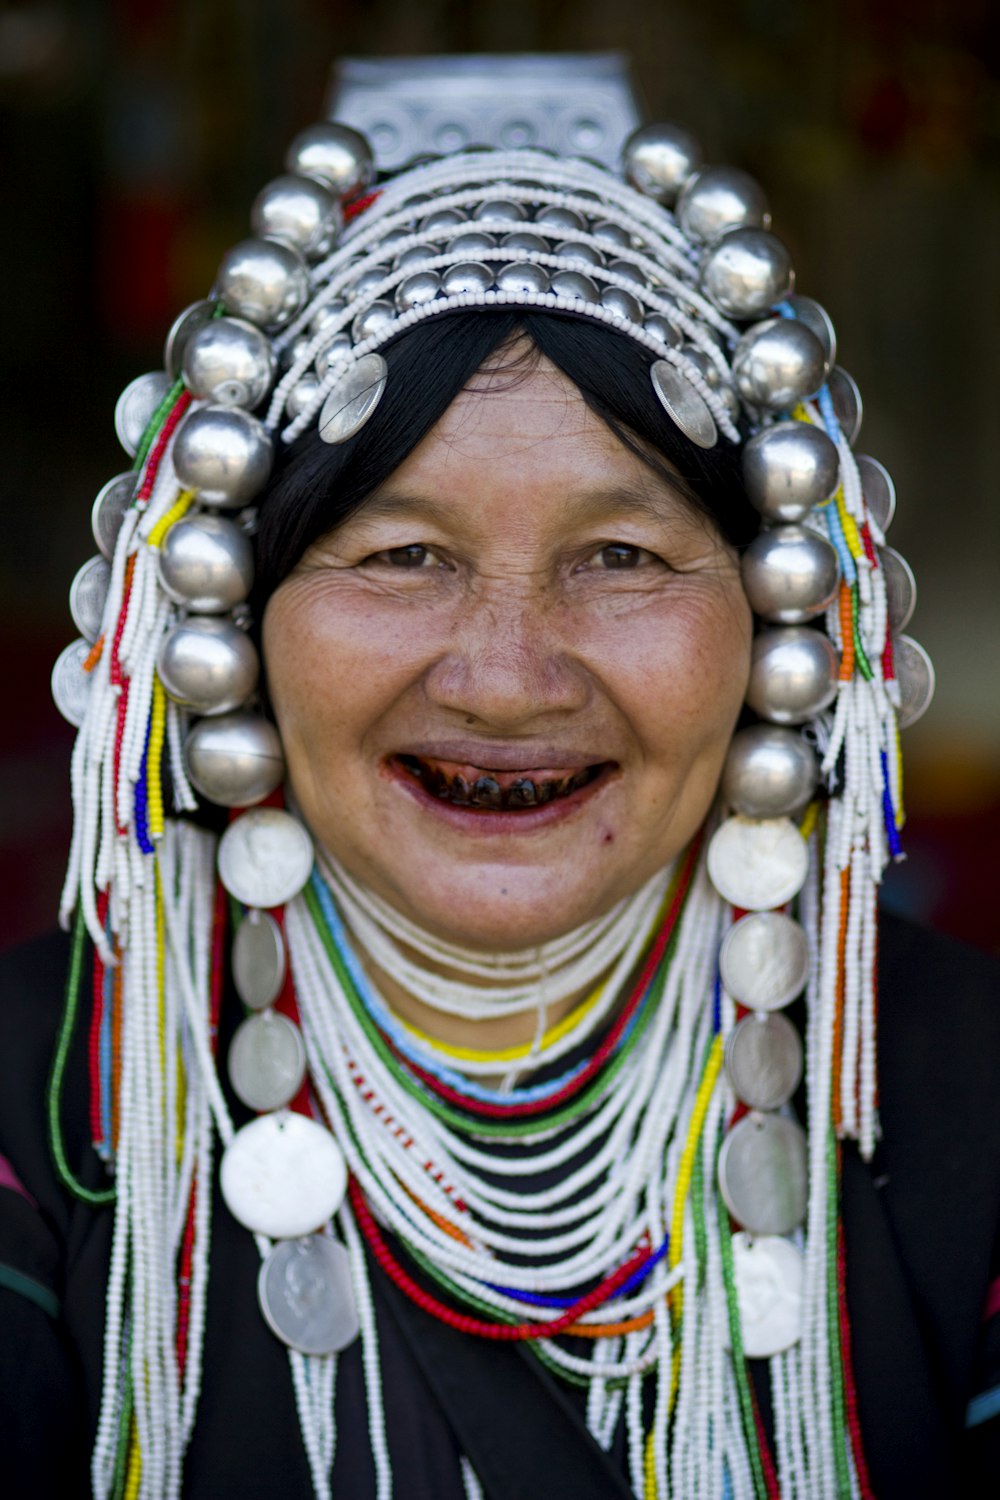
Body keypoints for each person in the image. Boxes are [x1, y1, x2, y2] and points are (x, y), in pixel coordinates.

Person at [1, 92, 999, 1500]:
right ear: (231, 619)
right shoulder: (47, 1108)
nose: (508, 678)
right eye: (402, 555)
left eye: (625, 558)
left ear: (783, 626)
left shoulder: (962, 1094)